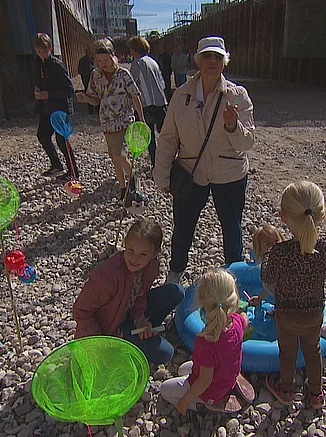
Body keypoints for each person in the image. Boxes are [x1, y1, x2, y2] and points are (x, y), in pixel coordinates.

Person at [153, 36, 255, 285]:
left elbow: (247, 143)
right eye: (207, 56)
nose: (212, 61)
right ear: (198, 60)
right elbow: (168, 138)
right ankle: (175, 273)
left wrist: (232, 126)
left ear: (224, 62)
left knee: (232, 227)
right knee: (183, 226)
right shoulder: (181, 95)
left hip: (229, 173)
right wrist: (162, 175)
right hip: (192, 172)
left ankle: (235, 277)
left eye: (217, 57)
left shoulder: (238, 95)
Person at [261, 180, 326, 409]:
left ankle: (286, 390)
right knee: (313, 349)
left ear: (283, 216)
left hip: (286, 313)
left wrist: (269, 254)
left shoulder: (279, 252)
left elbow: (267, 277)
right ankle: (316, 394)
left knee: (287, 351)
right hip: (314, 312)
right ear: (322, 215)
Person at [71, 219, 184, 364]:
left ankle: (144, 333)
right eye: (130, 250)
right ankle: (128, 344)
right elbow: (81, 310)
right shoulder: (107, 277)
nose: (134, 259)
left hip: (128, 313)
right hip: (111, 330)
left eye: (143, 254)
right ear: (125, 245)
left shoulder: (151, 267)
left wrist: (140, 320)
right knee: (166, 353)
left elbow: (140, 295)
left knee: (177, 292)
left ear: (154, 254)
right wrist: (103, 343)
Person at [160, 268, 254, 413]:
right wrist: (244, 310)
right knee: (183, 369)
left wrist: (184, 401)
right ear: (233, 300)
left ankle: (202, 405)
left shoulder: (206, 342)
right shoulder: (236, 323)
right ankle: (231, 386)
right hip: (227, 376)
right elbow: (245, 319)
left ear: (203, 303)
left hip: (212, 392)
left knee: (164, 389)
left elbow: (204, 381)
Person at [76, 39, 145, 204]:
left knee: (119, 154)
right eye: (99, 61)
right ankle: (123, 189)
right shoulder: (95, 75)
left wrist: (142, 121)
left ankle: (134, 184)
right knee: (114, 158)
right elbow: (95, 100)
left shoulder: (123, 74)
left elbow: (135, 97)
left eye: (105, 60)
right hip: (107, 122)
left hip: (124, 120)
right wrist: (85, 98)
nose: (102, 64)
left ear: (113, 56)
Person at [32, 33, 80, 181]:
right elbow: (39, 80)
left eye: (43, 51)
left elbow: (69, 90)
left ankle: (73, 171)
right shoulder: (37, 63)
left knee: (62, 140)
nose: (41, 54)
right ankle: (56, 164)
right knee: (42, 135)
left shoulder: (58, 65)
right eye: (38, 51)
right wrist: (37, 90)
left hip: (60, 108)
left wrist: (49, 94)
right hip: (46, 108)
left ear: (50, 48)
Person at [128, 36, 167, 168]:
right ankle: (168, 161)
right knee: (166, 134)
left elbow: (133, 85)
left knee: (149, 137)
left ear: (134, 50)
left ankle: (156, 164)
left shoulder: (136, 63)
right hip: (160, 102)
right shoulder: (153, 61)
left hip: (146, 104)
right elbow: (162, 81)